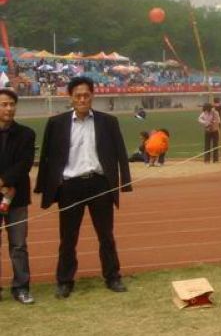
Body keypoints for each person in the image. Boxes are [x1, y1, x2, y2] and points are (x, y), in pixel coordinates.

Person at [34, 76, 131, 297]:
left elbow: (120, 153)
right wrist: (44, 187)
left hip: (100, 184)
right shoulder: (56, 123)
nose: (82, 99)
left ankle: (113, 276)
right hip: (70, 187)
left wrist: (124, 183)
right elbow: (47, 156)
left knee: (106, 235)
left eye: (86, 95)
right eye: (77, 95)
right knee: (68, 237)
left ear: (92, 96)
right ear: (70, 97)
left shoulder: (108, 122)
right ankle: (65, 280)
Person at [0, 88, 36, 304]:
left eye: (12, 104)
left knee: (19, 244)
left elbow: (24, 163)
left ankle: (21, 287)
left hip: (17, 197)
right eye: (4, 104)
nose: (9, 108)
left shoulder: (26, 134)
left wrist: (4, 182)